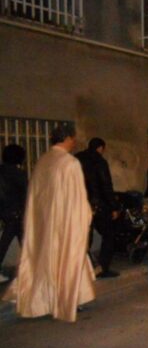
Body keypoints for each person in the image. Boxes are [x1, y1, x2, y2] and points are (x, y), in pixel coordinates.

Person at [3, 124, 95, 322]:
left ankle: (47, 299)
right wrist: (85, 215)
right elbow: (77, 196)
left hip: (44, 223)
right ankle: (66, 299)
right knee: (67, 258)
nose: (75, 142)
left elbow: (35, 195)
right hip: (64, 223)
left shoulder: (43, 161)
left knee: (47, 261)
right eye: (73, 138)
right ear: (68, 138)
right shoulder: (70, 163)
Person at [76, 137, 120, 278]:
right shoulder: (100, 162)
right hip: (99, 205)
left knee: (85, 238)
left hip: (81, 204)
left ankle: (82, 268)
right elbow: (106, 185)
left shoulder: (77, 159)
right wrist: (113, 206)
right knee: (109, 235)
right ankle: (103, 267)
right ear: (100, 148)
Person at [0, 145, 28, 283]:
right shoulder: (19, 174)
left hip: (5, 211)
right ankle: (32, 269)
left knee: (15, 240)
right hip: (17, 213)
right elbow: (26, 194)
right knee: (23, 242)